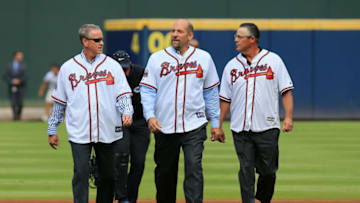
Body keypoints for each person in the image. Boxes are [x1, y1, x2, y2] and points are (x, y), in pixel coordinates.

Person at [140, 19, 224, 203]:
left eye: (179, 31)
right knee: (165, 174)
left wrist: (216, 124)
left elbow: (210, 93)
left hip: (194, 124)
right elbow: (147, 90)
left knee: (194, 169)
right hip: (164, 125)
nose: (174, 34)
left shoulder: (204, 58)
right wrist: (150, 116)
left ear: (190, 35)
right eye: (173, 30)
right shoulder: (157, 58)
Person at [47, 24, 133, 203]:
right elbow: (59, 102)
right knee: (81, 173)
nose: (101, 43)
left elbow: (123, 94)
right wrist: (52, 129)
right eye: (96, 40)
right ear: (85, 41)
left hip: (108, 130)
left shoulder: (112, 66)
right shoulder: (68, 68)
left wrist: (127, 112)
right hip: (80, 131)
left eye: (101, 39)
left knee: (109, 176)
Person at [218, 23, 294, 203]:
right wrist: (218, 125)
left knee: (268, 171)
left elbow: (286, 91)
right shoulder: (231, 66)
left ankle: (262, 199)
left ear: (252, 40)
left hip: (267, 126)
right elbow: (225, 100)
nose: (235, 40)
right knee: (246, 169)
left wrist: (289, 117)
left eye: (239, 36)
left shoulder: (274, 61)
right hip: (240, 128)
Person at [111, 50, 150, 203]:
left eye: (126, 69)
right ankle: (122, 197)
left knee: (139, 162)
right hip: (120, 121)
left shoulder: (141, 73)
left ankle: (131, 197)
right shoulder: (108, 76)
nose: (124, 73)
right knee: (121, 156)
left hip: (140, 122)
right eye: (120, 70)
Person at [3, 51, 27, 120]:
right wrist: (12, 81)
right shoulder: (9, 65)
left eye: (21, 55)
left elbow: (25, 76)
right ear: (15, 56)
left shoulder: (24, 66)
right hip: (12, 86)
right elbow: (5, 76)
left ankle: (19, 115)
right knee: (13, 101)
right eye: (19, 55)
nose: (21, 57)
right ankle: (14, 116)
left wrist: (19, 81)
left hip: (21, 86)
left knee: (20, 102)